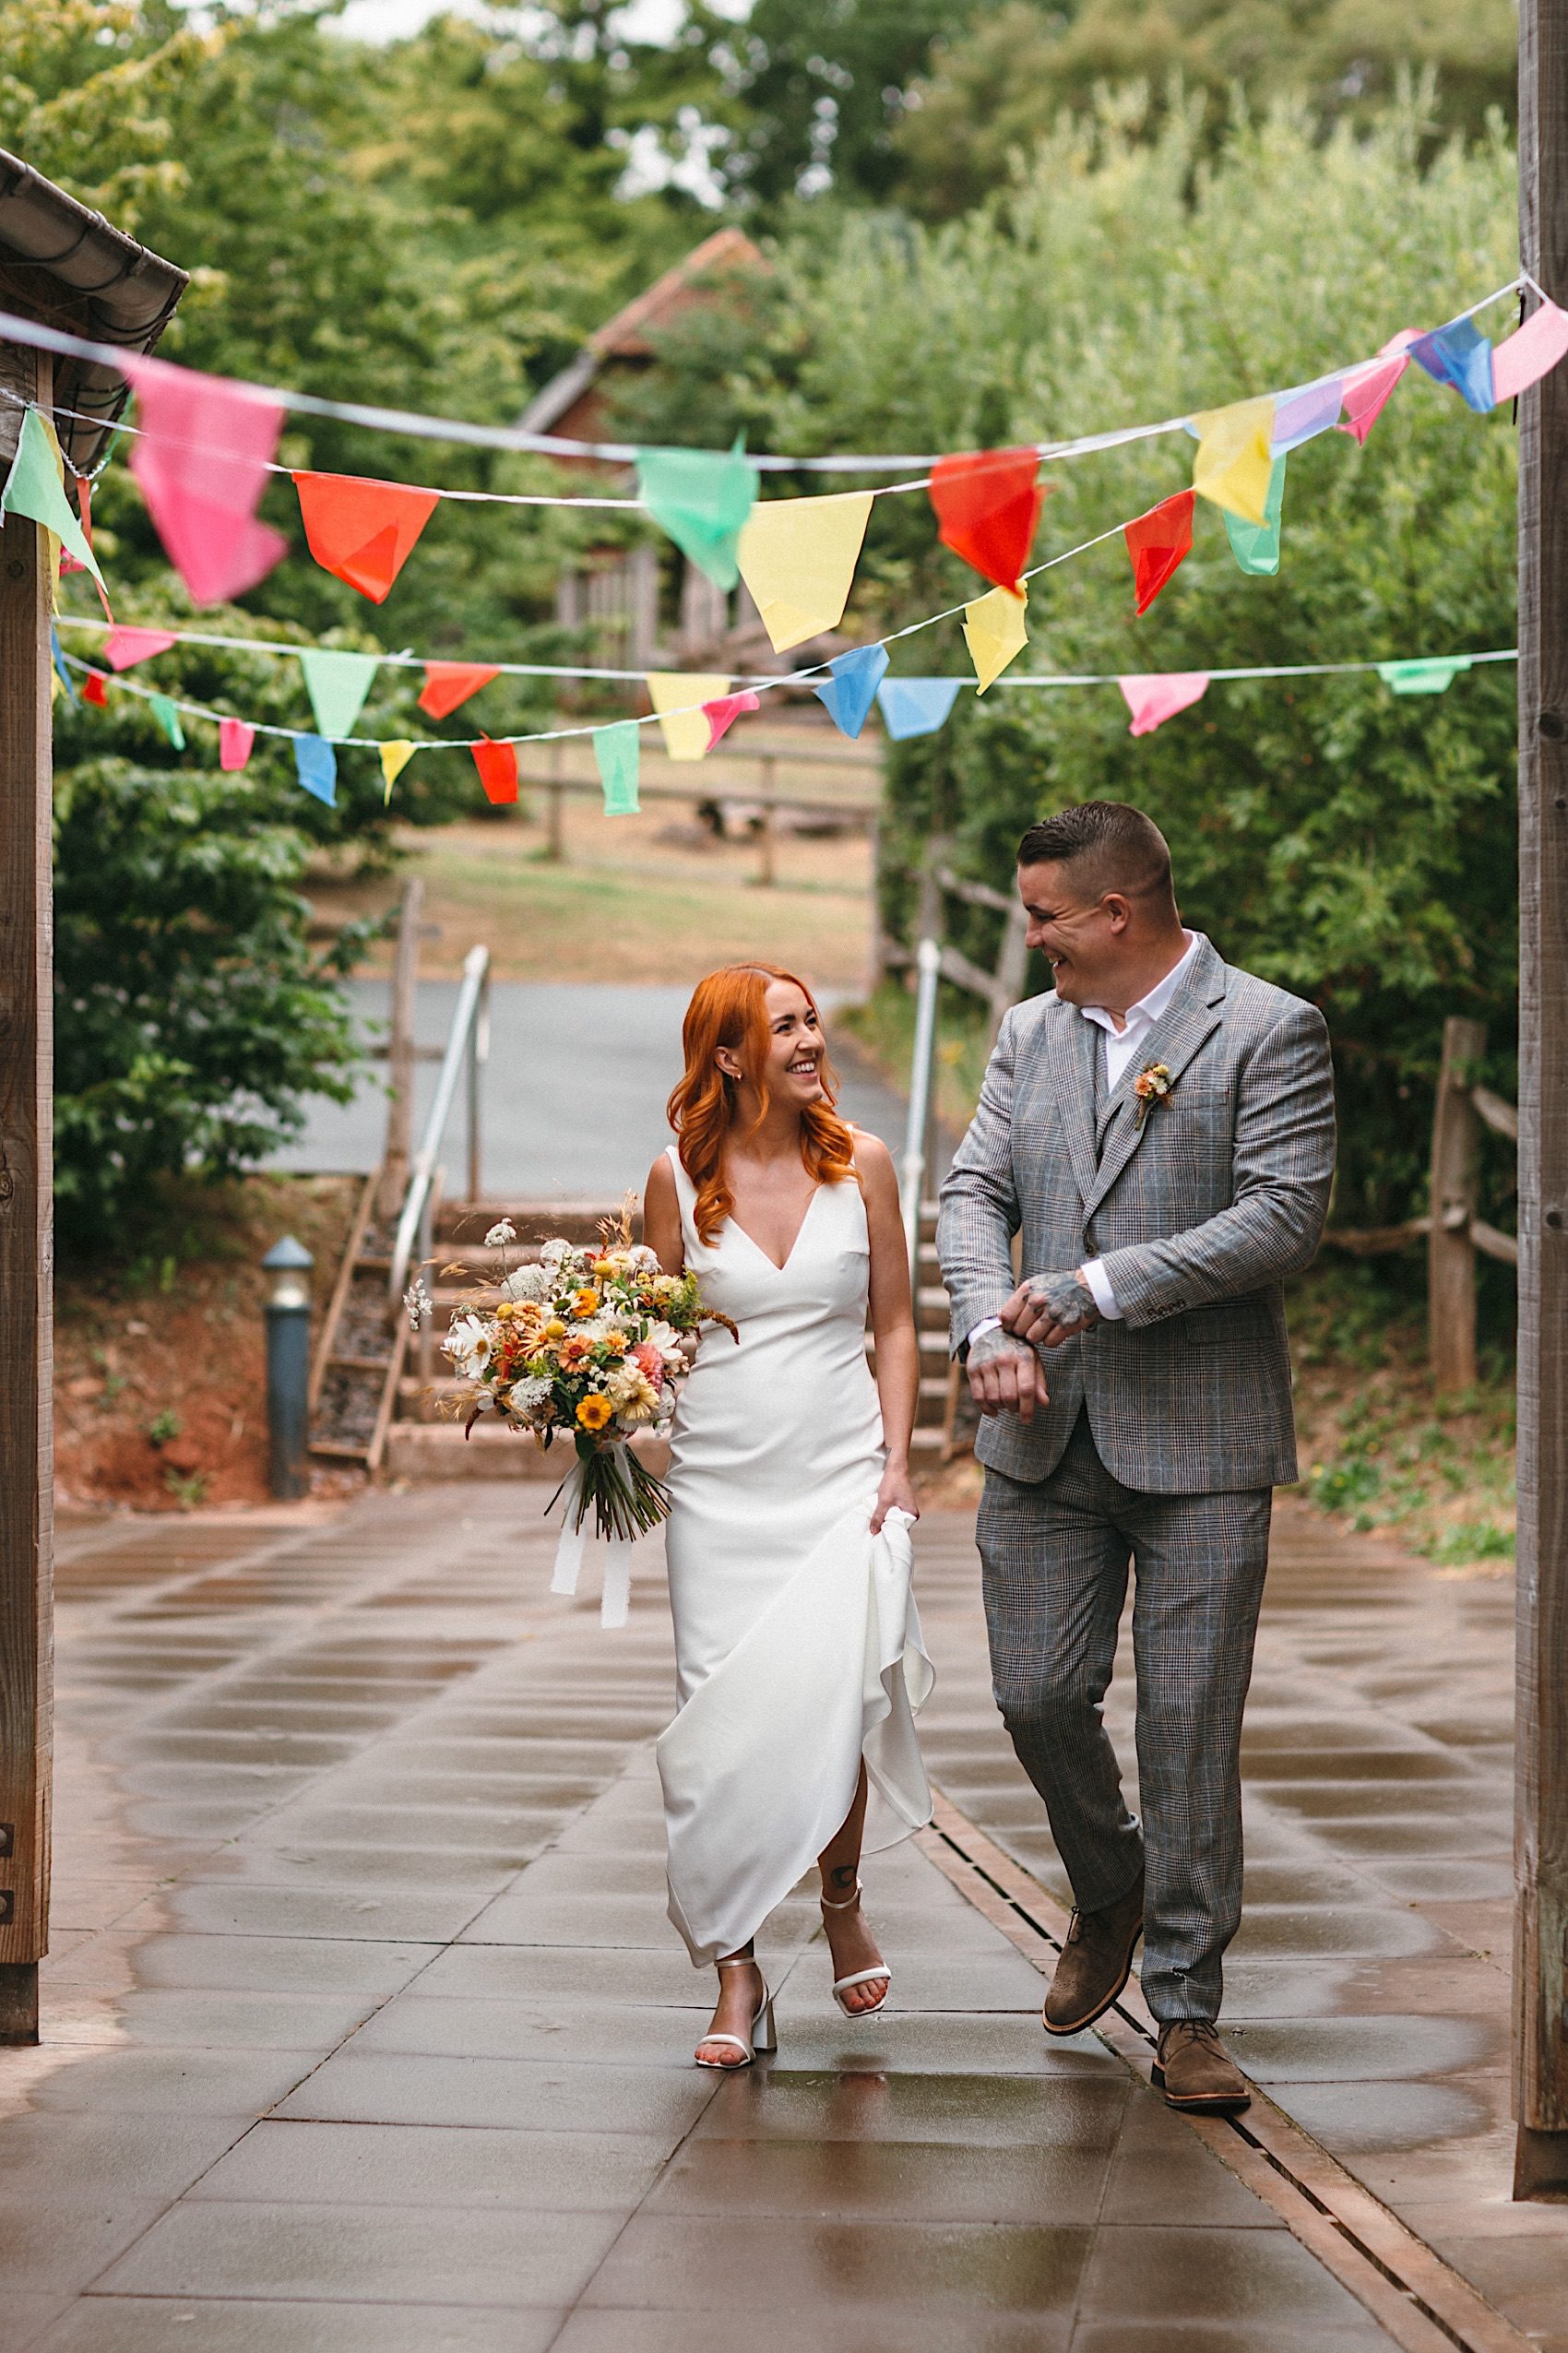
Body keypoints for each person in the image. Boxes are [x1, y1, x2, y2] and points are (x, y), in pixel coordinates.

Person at [937, 802, 1335, 2114]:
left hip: (1205, 1442)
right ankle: (1108, 1883)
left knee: (1188, 1727)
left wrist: (1101, 1284)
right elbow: (971, 1194)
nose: (1031, 934)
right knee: (1037, 1698)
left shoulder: (1269, 1027)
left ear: (1118, 911)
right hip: (1042, 1435)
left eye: (1045, 913)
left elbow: (1281, 1214)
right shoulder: (1027, 1032)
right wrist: (989, 1321)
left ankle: (1187, 2006)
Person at [643, 962, 933, 2069]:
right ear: (728, 1057)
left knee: (833, 1703)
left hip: (836, 1478)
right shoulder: (676, 1175)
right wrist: (590, 1396)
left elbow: (895, 1326)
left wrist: (898, 1463)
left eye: (812, 1020)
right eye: (786, 1026)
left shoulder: (862, 1165)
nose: (813, 1039)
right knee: (717, 1729)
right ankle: (735, 1964)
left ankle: (843, 1896)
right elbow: (644, 1333)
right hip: (718, 1492)